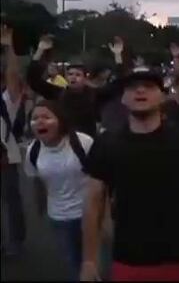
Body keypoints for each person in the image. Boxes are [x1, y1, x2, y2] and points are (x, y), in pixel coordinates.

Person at [80, 0, 179, 281]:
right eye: (133, 87)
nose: (140, 90)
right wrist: (89, 260)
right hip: (131, 263)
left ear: (162, 97)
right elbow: (93, 203)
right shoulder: (107, 142)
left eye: (149, 86)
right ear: (122, 99)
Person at [24, 100, 93, 280]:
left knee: (94, 265)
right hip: (59, 217)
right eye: (35, 118)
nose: (40, 122)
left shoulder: (82, 142)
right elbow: (36, 180)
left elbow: (101, 178)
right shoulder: (33, 150)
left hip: (90, 215)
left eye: (46, 117)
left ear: (60, 120)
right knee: (74, 266)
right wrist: (40, 205)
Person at [26, 35, 127, 138]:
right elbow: (34, 80)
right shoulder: (58, 93)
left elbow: (120, 84)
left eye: (77, 75)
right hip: (64, 142)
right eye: (70, 74)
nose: (73, 77)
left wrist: (118, 55)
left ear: (85, 78)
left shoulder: (95, 94)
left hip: (88, 144)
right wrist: (40, 51)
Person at [0, 25, 26, 257]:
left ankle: (16, 241)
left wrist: (9, 47)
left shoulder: (7, 100)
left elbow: (13, 77)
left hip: (5, 156)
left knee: (11, 199)